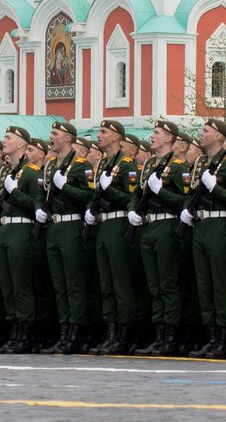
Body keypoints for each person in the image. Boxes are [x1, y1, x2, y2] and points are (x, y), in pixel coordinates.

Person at [183, 119, 226, 359]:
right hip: (200, 224)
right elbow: (191, 193)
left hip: (220, 224)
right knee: (204, 284)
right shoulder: (200, 163)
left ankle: (224, 338)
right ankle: (210, 337)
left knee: (220, 283)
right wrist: (188, 208)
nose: (202, 133)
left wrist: (215, 189)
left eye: (206, 131)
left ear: (218, 137)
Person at [128, 120, 189, 357]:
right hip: (148, 226)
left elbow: (183, 201)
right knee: (154, 285)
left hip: (166, 224)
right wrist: (133, 209)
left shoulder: (178, 166)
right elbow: (137, 193)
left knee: (167, 283)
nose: (152, 136)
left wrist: (160, 191)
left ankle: (170, 336)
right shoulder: (150, 165)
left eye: (157, 133)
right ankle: (159, 334)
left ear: (169, 138)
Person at [37, 121, 93, 355]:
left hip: (71, 226)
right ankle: (63, 332)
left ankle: (76, 333)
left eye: (55, 133)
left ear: (68, 138)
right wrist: (39, 207)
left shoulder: (82, 166)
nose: (51, 137)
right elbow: (41, 192)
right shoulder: (49, 166)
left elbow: (88, 196)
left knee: (73, 283)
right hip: (54, 228)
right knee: (59, 284)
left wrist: (66, 188)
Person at [86, 120, 140, 355]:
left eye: (104, 132)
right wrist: (91, 208)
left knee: (119, 282)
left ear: (117, 137)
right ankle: (110, 333)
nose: (99, 135)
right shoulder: (102, 164)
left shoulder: (127, 164)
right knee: (106, 282)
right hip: (103, 224)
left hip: (119, 223)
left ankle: (123, 335)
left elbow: (132, 199)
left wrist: (111, 190)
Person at [0, 128, 43, 354]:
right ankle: (13, 332)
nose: (5, 141)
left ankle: (25, 334)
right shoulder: (6, 172)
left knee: (21, 284)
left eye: (9, 138)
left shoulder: (31, 173)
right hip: (4, 230)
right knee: (7, 284)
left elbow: (37, 205)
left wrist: (16, 193)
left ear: (21, 144)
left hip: (22, 229)